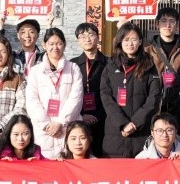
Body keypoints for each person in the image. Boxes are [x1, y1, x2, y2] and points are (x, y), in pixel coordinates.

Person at [100, 24, 163, 159]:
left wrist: (135, 123)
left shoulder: (149, 65)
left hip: (141, 132)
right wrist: (122, 124)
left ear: (140, 41)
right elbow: (106, 97)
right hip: (115, 132)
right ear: (120, 41)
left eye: (134, 39)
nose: (130, 43)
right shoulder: (110, 66)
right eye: (126, 39)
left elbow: (154, 97)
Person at [26, 27, 84, 159]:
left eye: (59, 43)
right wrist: (46, 125)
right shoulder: (35, 71)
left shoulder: (73, 68)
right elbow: (32, 100)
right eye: (51, 44)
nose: (55, 47)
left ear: (64, 45)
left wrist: (60, 123)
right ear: (44, 45)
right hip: (43, 130)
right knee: (44, 166)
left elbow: (76, 98)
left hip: (68, 128)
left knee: (68, 163)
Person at [146, 6, 180, 140]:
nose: (167, 25)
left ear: (177, 25)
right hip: (155, 103)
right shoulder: (148, 50)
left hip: (179, 103)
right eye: (163, 21)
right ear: (157, 24)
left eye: (172, 21)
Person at [70, 22, 108, 157]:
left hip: (104, 120)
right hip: (78, 119)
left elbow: (112, 94)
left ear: (98, 37)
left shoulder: (109, 63)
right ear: (78, 41)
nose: (87, 39)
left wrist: (98, 115)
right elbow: (68, 95)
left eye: (91, 35)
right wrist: (81, 115)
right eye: (82, 36)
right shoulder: (72, 64)